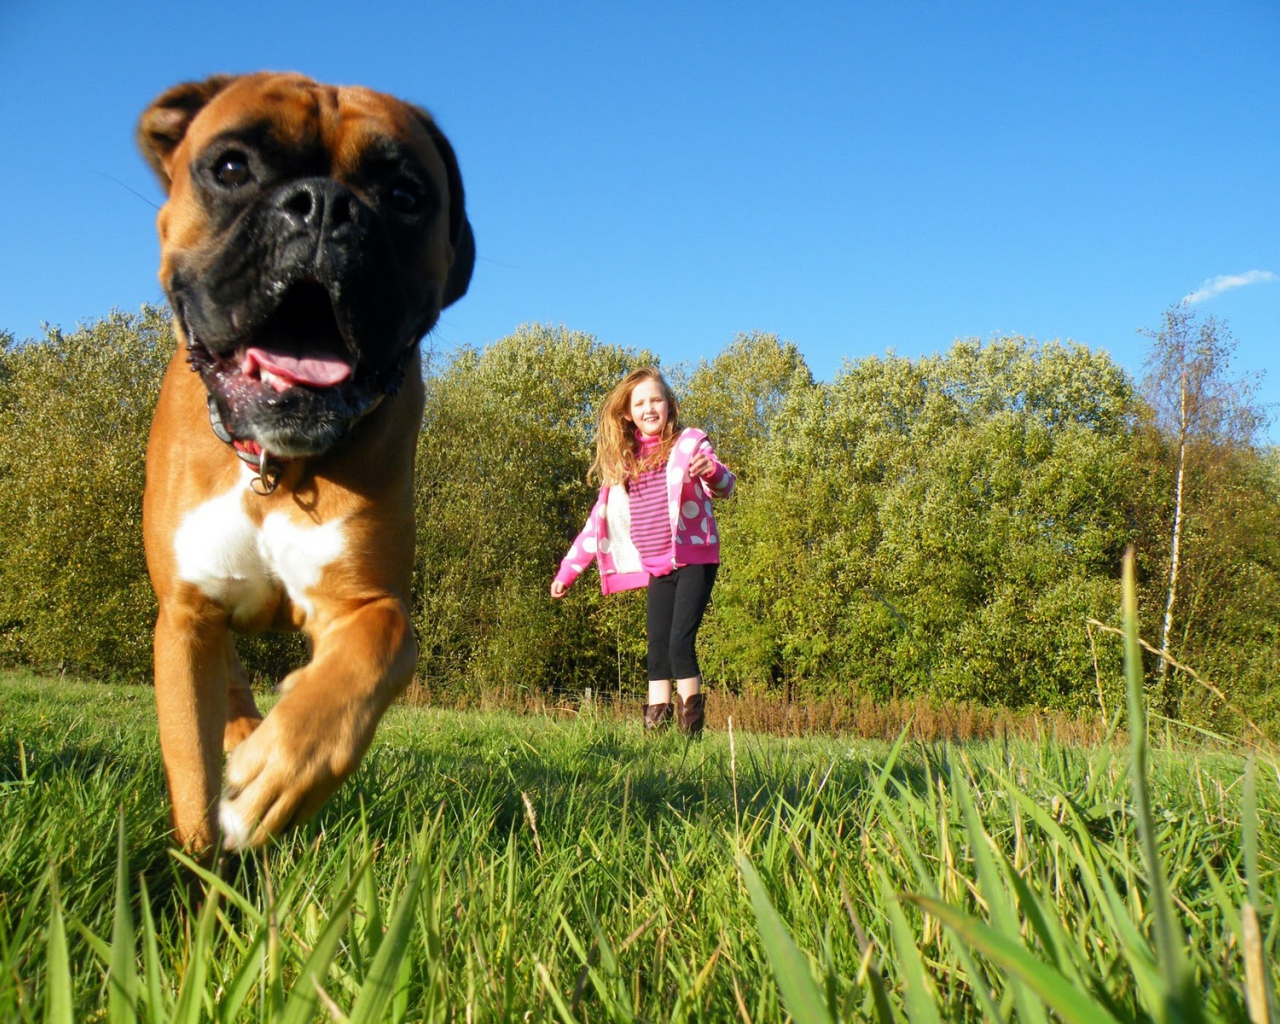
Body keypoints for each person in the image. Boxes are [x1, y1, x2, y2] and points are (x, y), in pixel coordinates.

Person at [550, 367, 735, 737]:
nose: (649, 408)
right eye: (640, 403)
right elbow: (597, 524)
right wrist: (567, 572)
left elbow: (725, 486)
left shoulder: (689, 444)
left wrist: (710, 470)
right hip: (657, 566)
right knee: (657, 649)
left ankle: (690, 733)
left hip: (695, 557)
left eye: (656, 400)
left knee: (680, 644)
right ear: (627, 413)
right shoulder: (624, 463)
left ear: (669, 405)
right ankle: (655, 732)